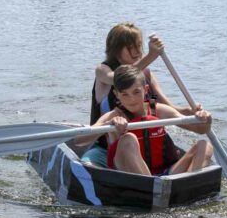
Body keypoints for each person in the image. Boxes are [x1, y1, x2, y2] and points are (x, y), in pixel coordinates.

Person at [80, 23, 197, 168]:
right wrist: (151, 56)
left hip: (144, 145)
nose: (136, 52)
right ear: (116, 50)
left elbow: (168, 107)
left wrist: (191, 112)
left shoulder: (146, 74)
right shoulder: (103, 70)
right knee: (87, 165)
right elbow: (117, 78)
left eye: (139, 46)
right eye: (130, 47)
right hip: (105, 148)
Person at [75, 65, 213, 176]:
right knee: (128, 138)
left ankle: (187, 185)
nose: (132, 99)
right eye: (125, 94)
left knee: (204, 145)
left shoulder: (160, 110)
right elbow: (79, 141)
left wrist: (205, 119)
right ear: (116, 94)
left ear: (146, 89)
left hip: (165, 174)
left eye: (136, 92)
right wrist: (107, 126)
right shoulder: (113, 116)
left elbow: (201, 129)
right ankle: (154, 190)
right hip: (134, 179)